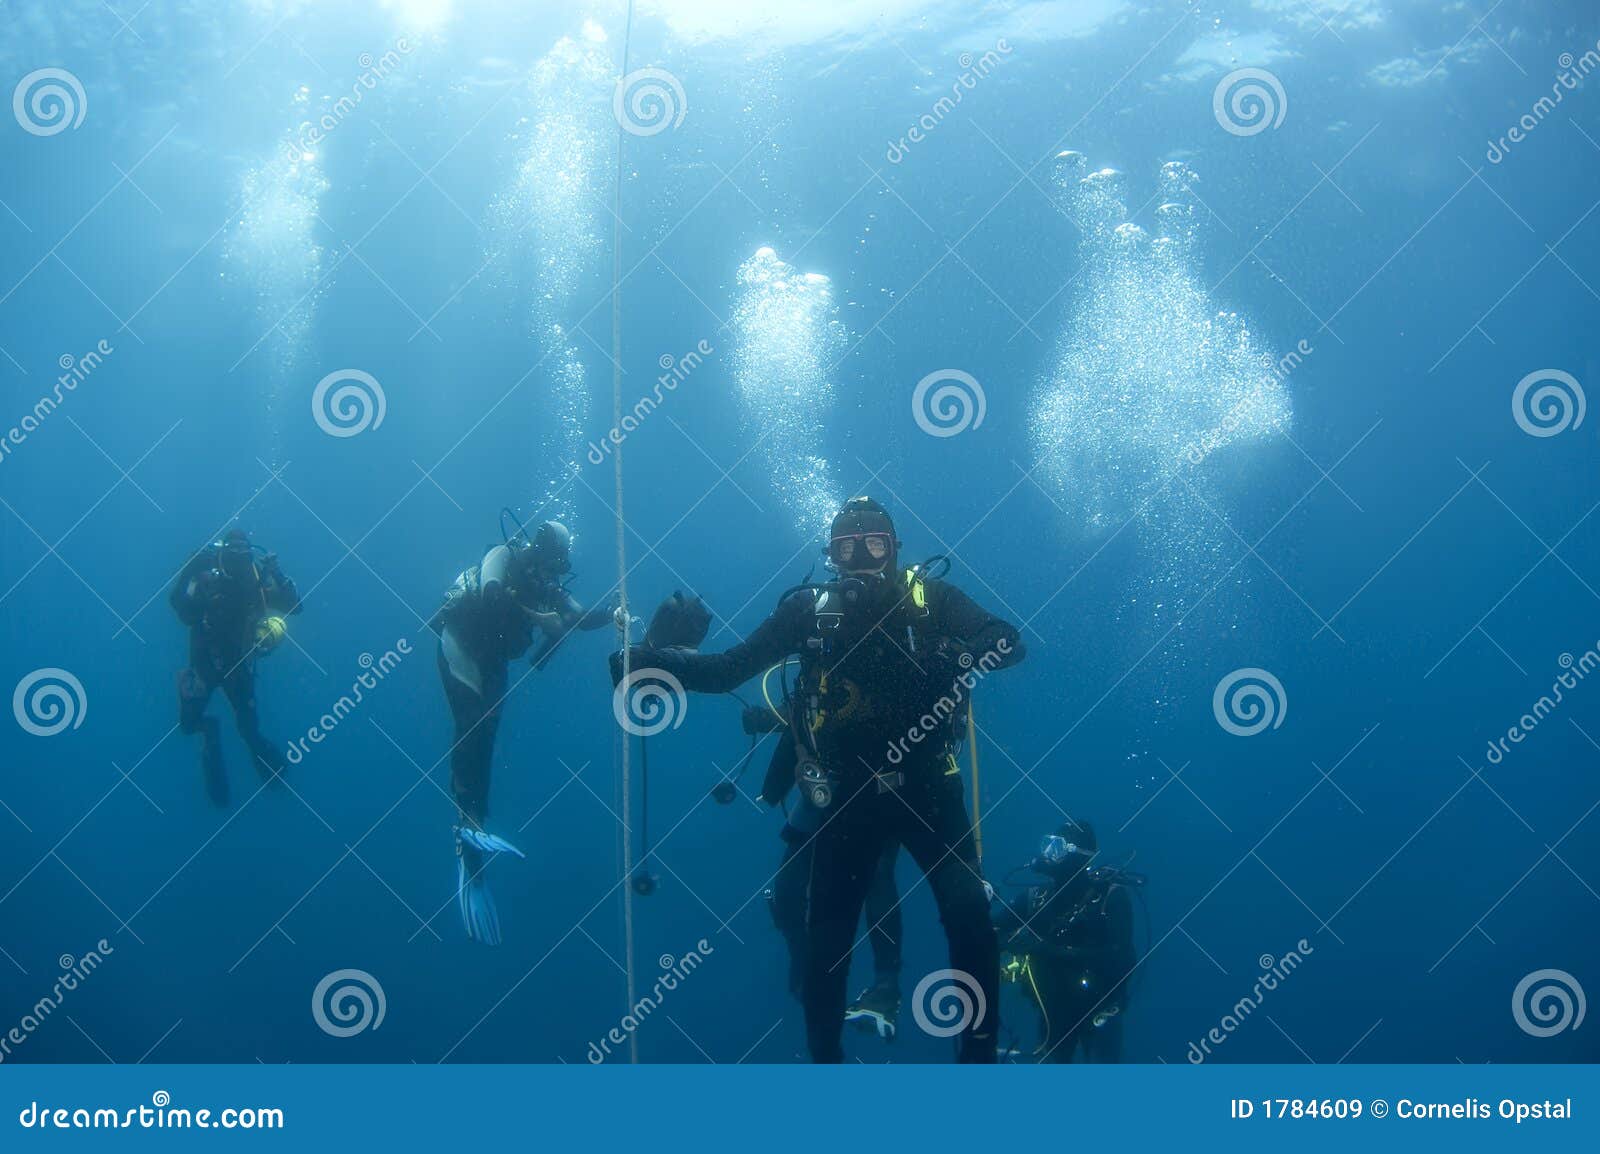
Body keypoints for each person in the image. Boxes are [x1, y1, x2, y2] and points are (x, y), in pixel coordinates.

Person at [613, 496, 1025, 1061]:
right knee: (828, 946)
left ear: (895, 549)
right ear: (830, 556)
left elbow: (1008, 640)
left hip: (930, 788)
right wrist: (652, 661)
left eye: (875, 544)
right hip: (847, 797)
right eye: (847, 548)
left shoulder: (929, 601)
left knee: (969, 920)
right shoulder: (808, 612)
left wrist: (956, 654)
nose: (862, 558)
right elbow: (730, 668)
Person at [433, 517, 615, 946]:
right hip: (459, 642)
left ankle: (474, 826)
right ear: (540, 549)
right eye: (555, 560)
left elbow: (575, 616)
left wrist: (614, 613)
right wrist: (540, 616)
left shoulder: (545, 582)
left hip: (493, 658)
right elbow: (494, 594)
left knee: (488, 737)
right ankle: (464, 817)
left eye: (561, 563)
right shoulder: (502, 556)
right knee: (471, 723)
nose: (557, 570)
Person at [170, 528, 301, 807]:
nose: (238, 561)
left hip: (240, 665)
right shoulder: (206, 575)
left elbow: (295, 606)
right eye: (232, 555)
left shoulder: (255, 578)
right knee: (188, 724)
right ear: (222, 554)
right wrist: (189, 572)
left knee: (249, 730)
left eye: (244, 554)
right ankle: (210, 732)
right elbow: (181, 610)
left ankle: (262, 762)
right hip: (204, 660)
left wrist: (277, 574)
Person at [993, 819, 1141, 1062]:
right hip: (1054, 1013)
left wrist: (1047, 950)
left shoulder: (1110, 898)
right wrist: (976, 904)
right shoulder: (1035, 899)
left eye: (1057, 848)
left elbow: (1122, 958)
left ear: (1079, 856)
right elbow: (989, 932)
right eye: (1047, 846)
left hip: (1100, 1011)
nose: (1048, 856)